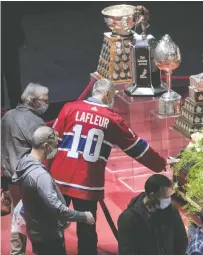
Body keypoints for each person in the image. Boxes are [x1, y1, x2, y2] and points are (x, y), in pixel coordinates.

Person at [50, 79, 167, 255]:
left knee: (53, 226)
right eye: (113, 96)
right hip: (87, 183)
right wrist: (160, 164)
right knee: (87, 229)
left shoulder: (69, 108)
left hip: (58, 177)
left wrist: (44, 171)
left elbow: (51, 142)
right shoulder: (112, 119)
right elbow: (137, 148)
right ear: (106, 94)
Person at [12, 126, 95, 255]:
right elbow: (57, 208)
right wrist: (83, 216)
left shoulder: (24, 162)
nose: (56, 150)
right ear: (45, 146)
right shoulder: (40, 175)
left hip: (36, 229)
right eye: (55, 146)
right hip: (48, 236)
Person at [1, 82, 49, 254]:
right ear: (34, 101)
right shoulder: (36, 122)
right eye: (44, 100)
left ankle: (16, 252)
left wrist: (3, 183)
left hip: (11, 177)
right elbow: (46, 152)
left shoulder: (7, 116)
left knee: (17, 217)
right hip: (29, 179)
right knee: (36, 218)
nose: (47, 103)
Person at [117, 174, 188, 255]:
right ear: (152, 196)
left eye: (169, 196)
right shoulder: (129, 218)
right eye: (165, 197)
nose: (168, 200)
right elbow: (126, 251)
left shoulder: (171, 210)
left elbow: (181, 240)